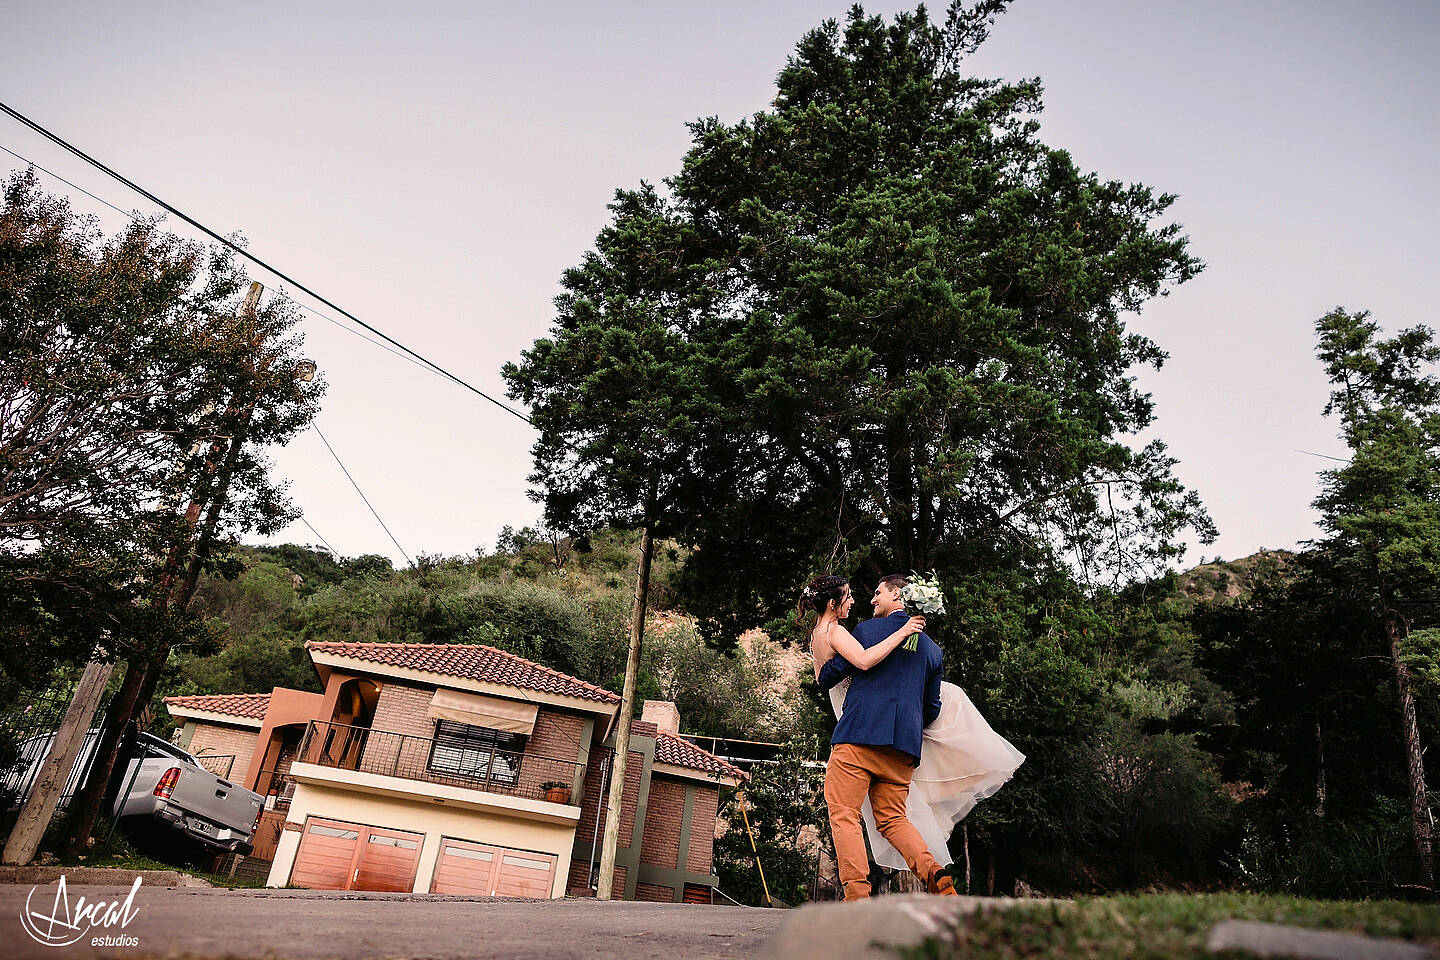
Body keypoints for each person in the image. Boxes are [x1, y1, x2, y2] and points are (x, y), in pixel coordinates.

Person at [801, 573, 1025, 899]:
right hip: (903, 749)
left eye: (878, 592)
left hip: (859, 738)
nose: (872, 599)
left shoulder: (865, 631)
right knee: (893, 819)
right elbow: (931, 710)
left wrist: (821, 662)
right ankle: (935, 873)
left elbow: (840, 670)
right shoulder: (933, 652)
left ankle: (857, 897)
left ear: (897, 595)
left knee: (844, 814)